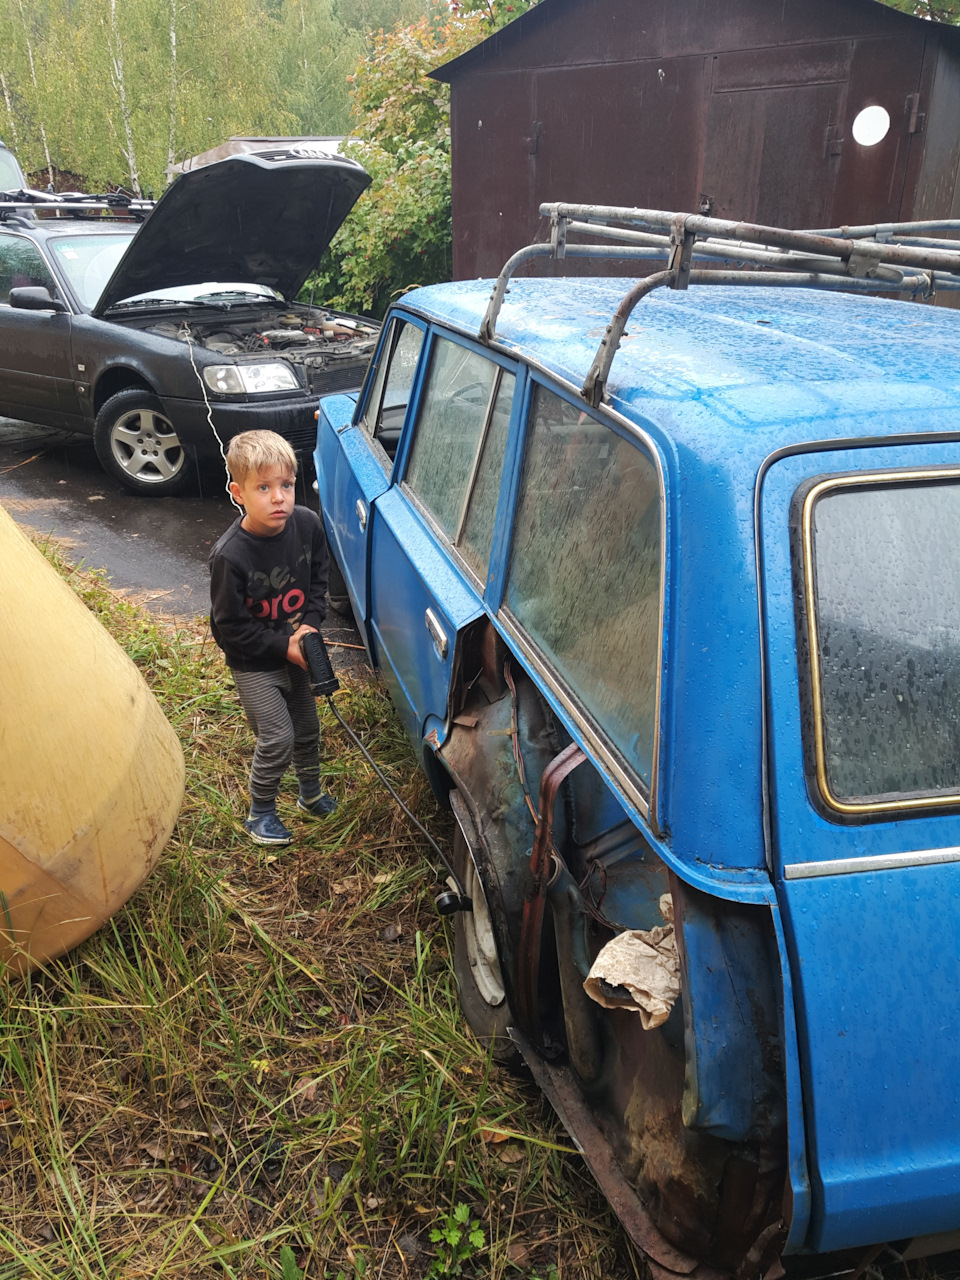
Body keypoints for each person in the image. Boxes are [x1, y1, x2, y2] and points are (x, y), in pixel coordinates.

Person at [209, 430, 336, 846]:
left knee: (307, 727)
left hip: (297, 647)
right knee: (277, 736)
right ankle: (260, 812)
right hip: (255, 663)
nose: (278, 497)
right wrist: (285, 646)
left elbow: (319, 582)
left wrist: (309, 627)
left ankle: (310, 795)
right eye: (263, 487)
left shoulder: (307, 525)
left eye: (286, 484)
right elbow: (231, 628)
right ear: (238, 492)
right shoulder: (231, 556)